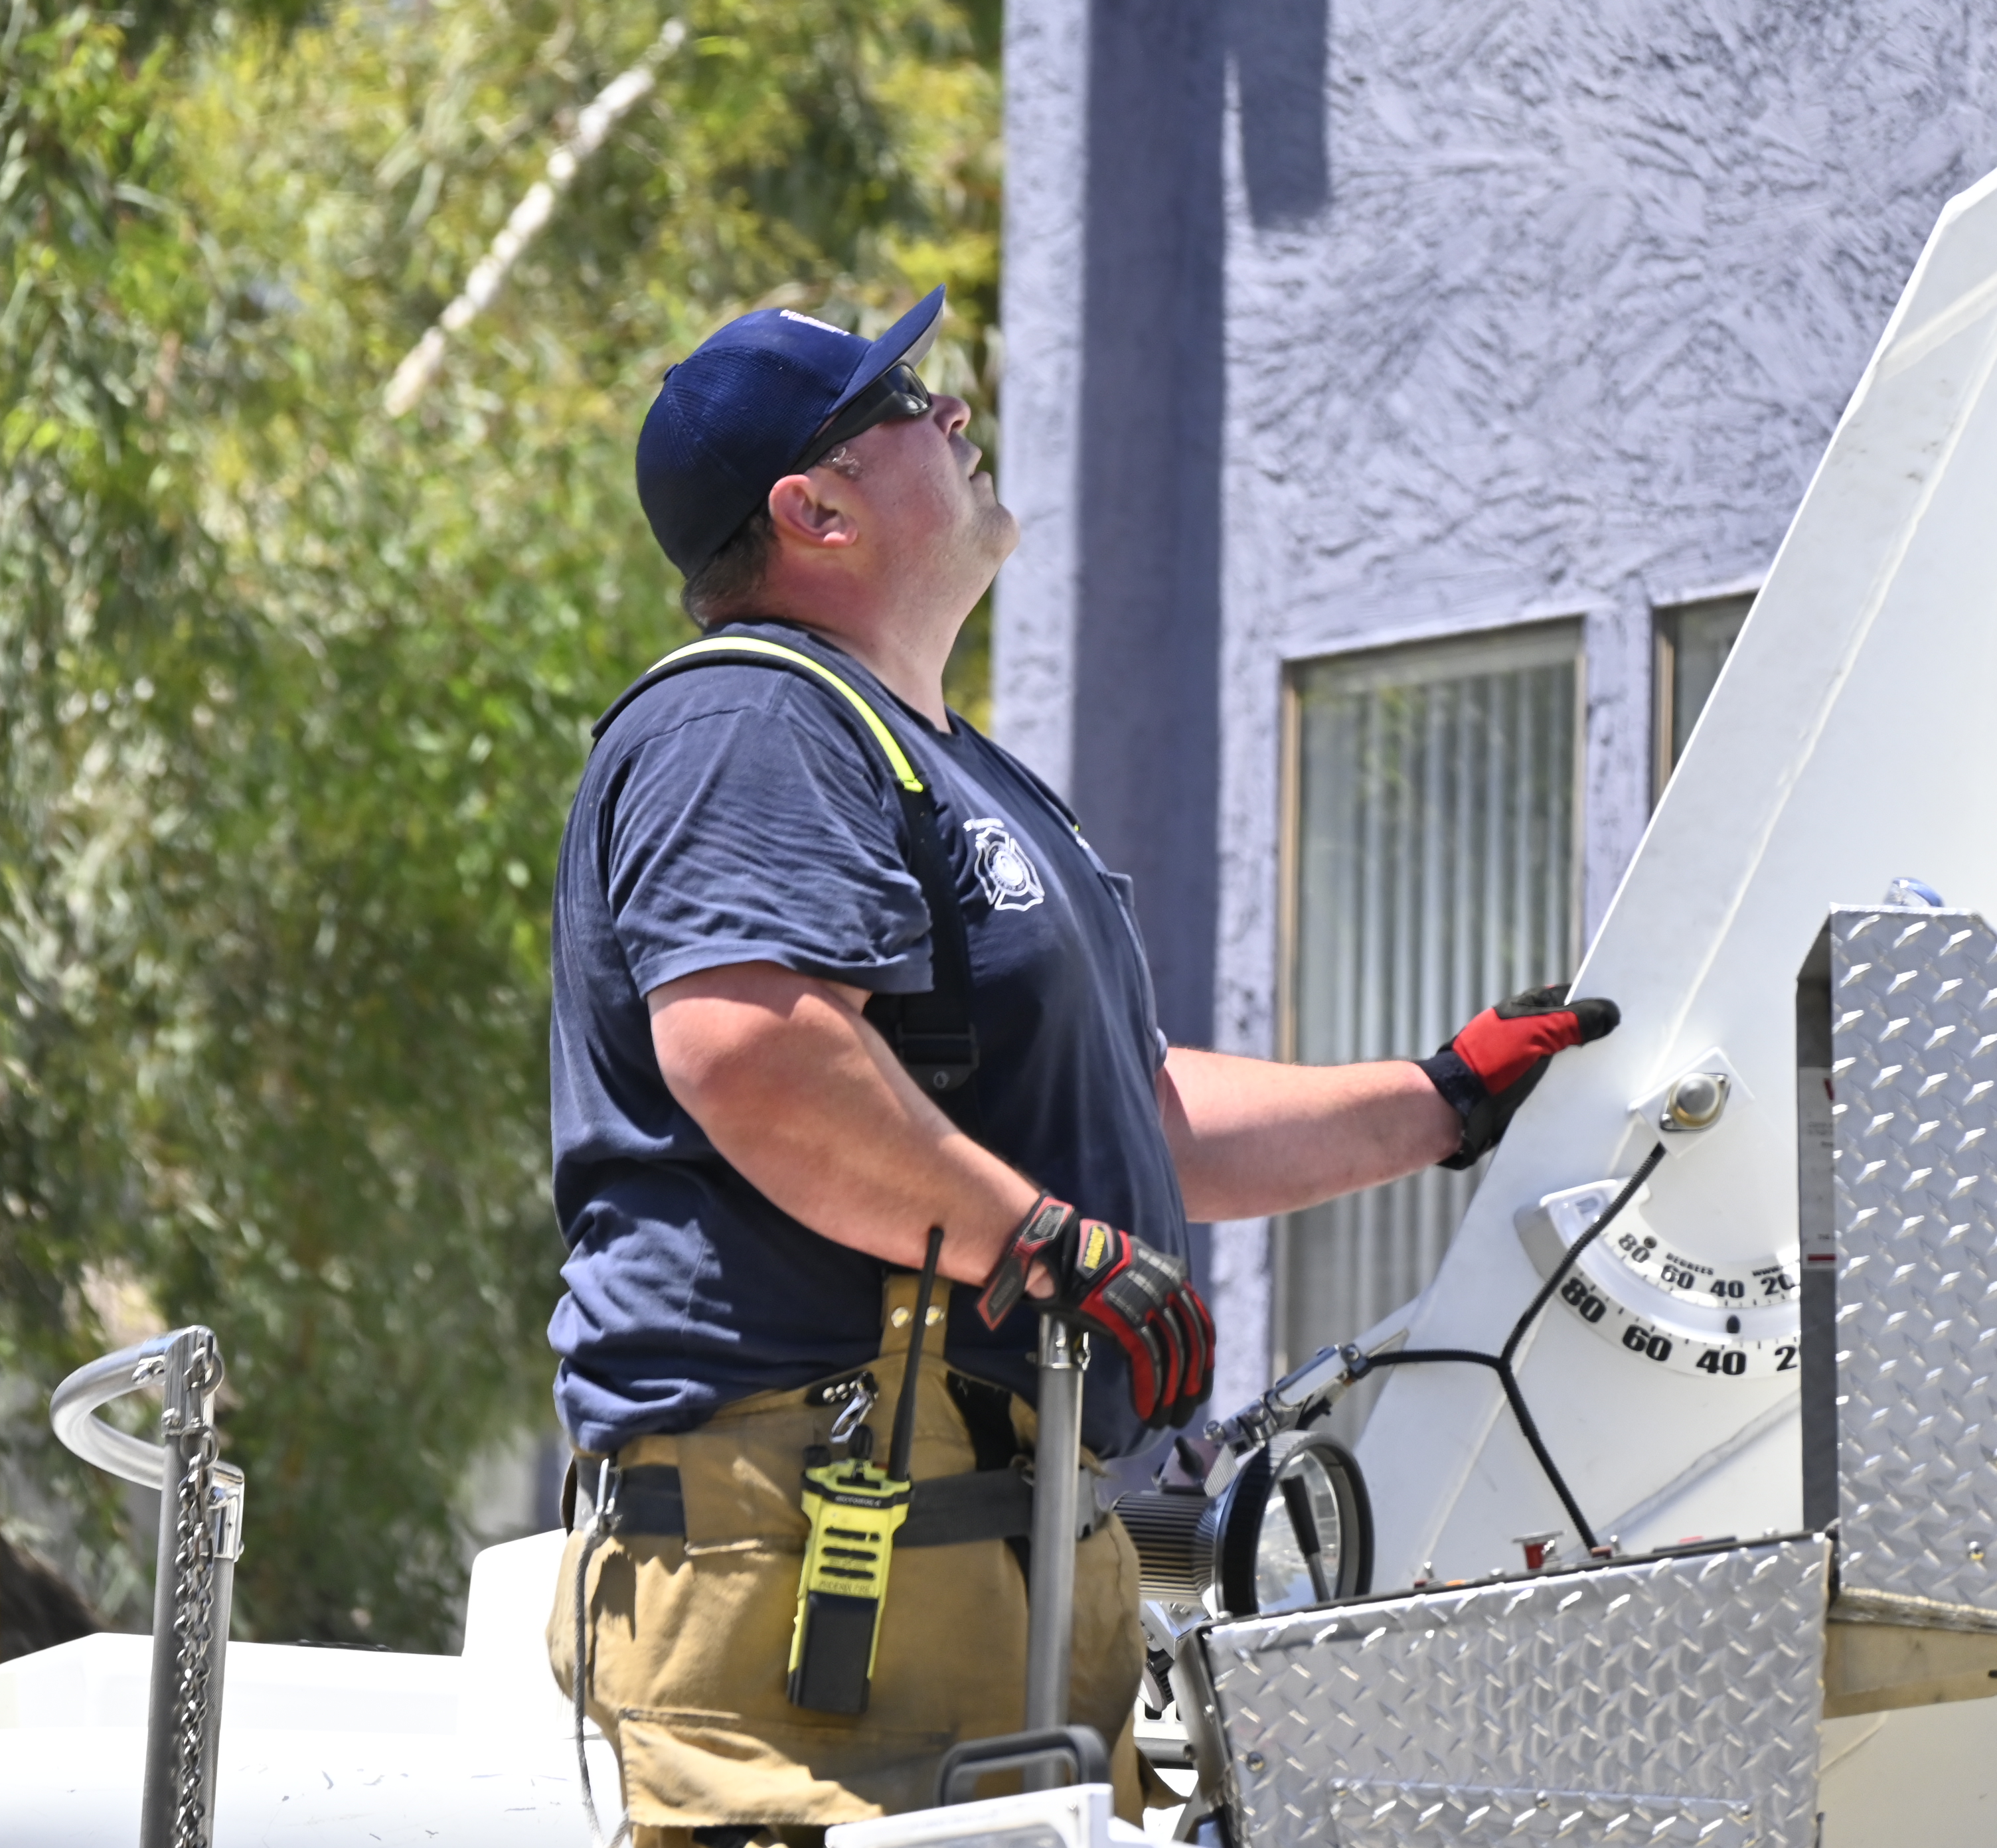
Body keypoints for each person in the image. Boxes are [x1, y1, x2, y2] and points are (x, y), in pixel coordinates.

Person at [545, 287, 1617, 1846]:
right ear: (814, 510)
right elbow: (753, 1051)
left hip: (985, 1547)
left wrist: (1442, 1101)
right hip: (820, 1557)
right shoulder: (746, 717)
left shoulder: (951, 768)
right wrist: (1033, 1239)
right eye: (904, 403)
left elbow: (1134, 1114)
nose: (954, 412)